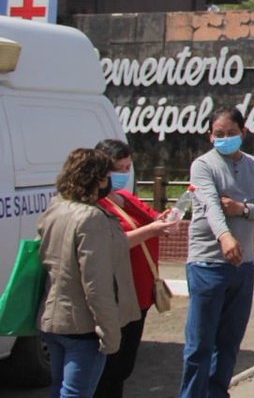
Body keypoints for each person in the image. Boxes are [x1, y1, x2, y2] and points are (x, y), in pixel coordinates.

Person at [180, 108, 254, 398]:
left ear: (243, 133)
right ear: (211, 137)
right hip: (207, 263)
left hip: (243, 264)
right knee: (199, 343)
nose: (225, 139)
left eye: (231, 133)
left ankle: (217, 392)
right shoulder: (203, 165)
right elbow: (210, 204)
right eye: (219, 135)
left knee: (228, 341)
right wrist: (224, 236)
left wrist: (244, 209)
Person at [39, 148, 141, 398]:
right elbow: (97, 284)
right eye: (107, 176)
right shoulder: (92, 218)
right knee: (76, 393)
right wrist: (109, 334)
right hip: (82, 326)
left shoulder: (57, 208)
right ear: (96, 179)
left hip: (53, 319)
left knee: (59, 388)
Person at [94, 139, 176, 398]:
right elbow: (117, 243)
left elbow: (151, 218)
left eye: (128, 168)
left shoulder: (125, 197)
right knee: (111, 367)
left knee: (125, 364)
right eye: (118, 169)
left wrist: (164, 220)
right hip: (120, 295)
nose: (123, 174)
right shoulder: (97, 206)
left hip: (142, 294)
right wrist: (152, 229)